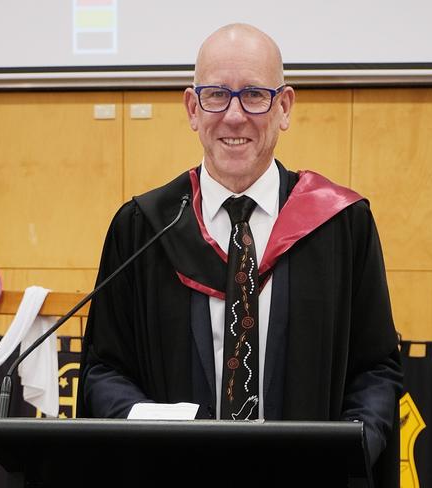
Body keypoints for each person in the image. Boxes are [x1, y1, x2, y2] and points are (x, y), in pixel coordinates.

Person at [78, 22, 402, 482]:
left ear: (284, 107)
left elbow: (376, 368)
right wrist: (153, 432)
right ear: (192, 108)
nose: (233, 116)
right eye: (215, 95)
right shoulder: (143, 229)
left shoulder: (340, 226)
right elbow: (104, 371)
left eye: (254, 95)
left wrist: (350, 445)